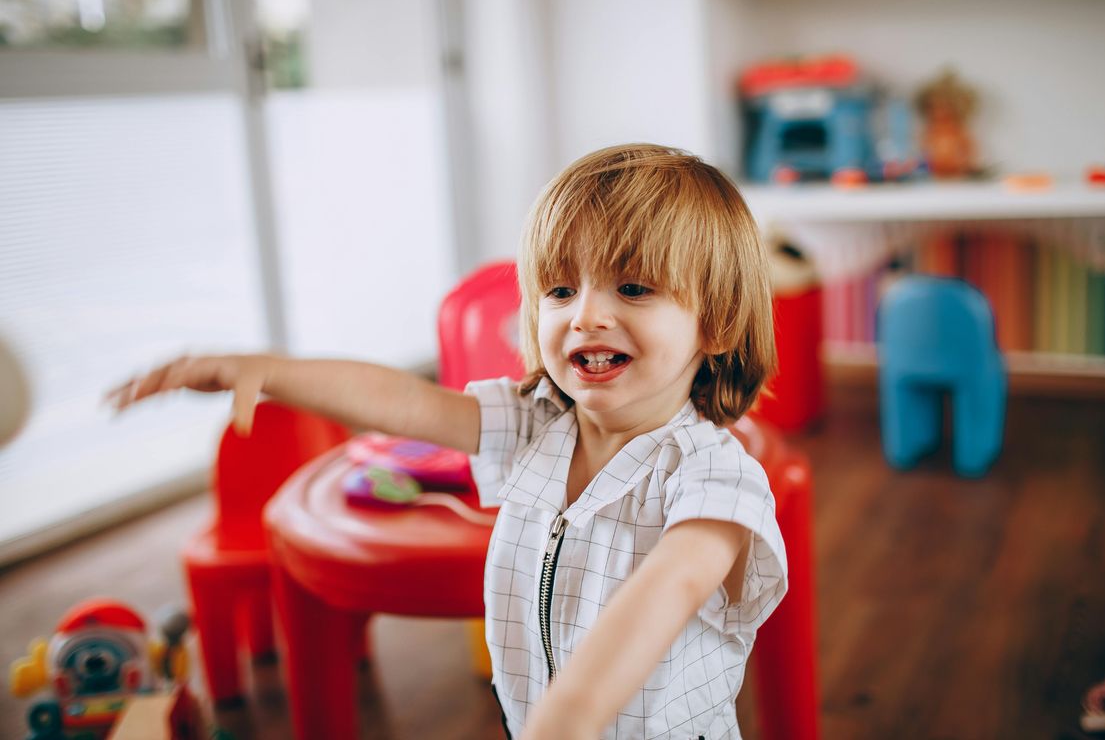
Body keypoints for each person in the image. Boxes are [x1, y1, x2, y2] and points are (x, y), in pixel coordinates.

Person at [108, 143, 788, 740]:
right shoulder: (536, 424)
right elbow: (403, 401)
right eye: (559, 290)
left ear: (716, 323)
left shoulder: (715, 477)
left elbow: (672, 584)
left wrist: (571, 715)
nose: (585, 315)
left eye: (632, 288)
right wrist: (266, 371)